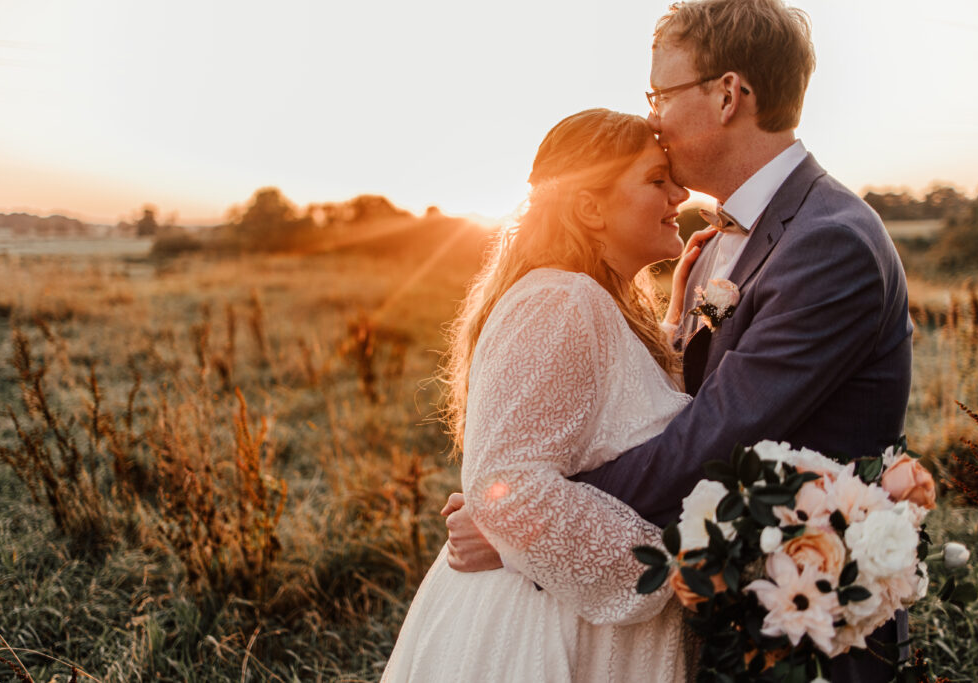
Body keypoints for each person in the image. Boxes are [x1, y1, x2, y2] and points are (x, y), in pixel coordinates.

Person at [443, 1, 914, 681]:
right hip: (719, 613)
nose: (654, 115)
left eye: (661, 92)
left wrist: (528, 518)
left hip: (807, 624)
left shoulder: (827, 242)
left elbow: (717, 441)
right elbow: (667, 407)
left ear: (727, 95)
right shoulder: (714, 244)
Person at [381, 108, 712, 682]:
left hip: (577, 613)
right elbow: (508, 489)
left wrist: (678, 324)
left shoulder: (593, 303)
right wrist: (668, 569)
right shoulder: (560, 301)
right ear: (590, 208)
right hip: (550, 633)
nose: (680, 193)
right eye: (657, 180)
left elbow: (610, 423)